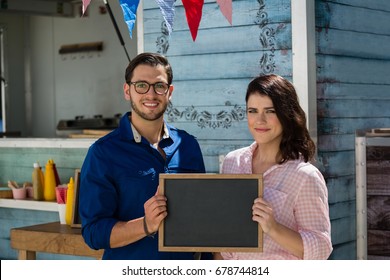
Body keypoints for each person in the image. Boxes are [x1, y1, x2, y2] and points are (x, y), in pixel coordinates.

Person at [79, 52, 206, 260]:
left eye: (159, 86)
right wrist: (146, 225)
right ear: (127, 90)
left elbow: (201, 214)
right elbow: (93, 233)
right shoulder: (103, 153)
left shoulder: (188, 145)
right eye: (141, 85)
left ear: (169, 91)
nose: (151, 94)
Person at [214, 74, 333, 260]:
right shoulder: (232, 162)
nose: (259, 120)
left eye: (270, 111)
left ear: (286, 115)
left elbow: (321, 249)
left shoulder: (305, 176)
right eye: (252, 111)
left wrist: (273, 228)